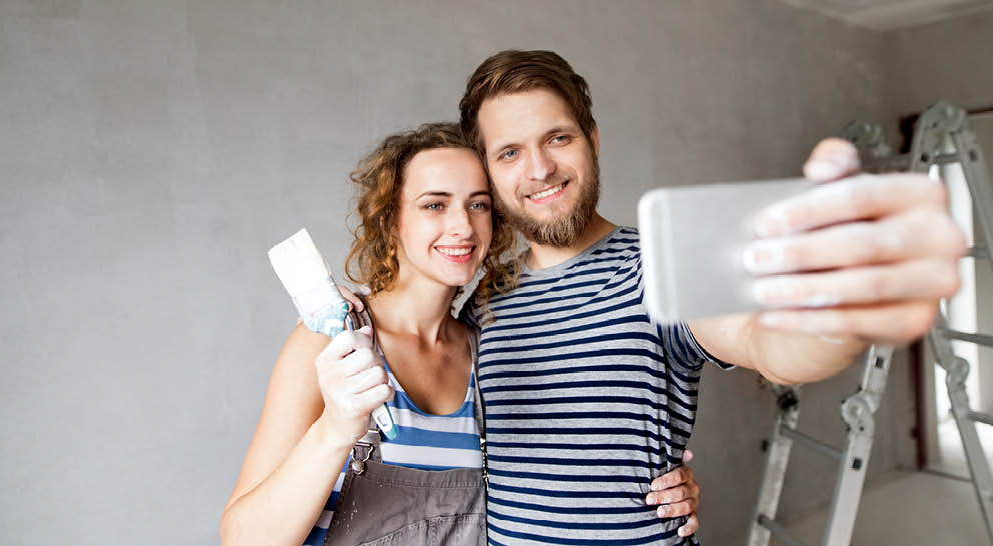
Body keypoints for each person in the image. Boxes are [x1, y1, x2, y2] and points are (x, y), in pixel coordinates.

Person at [454, 49, 967, 545]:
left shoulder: (659, 265)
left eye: (558, 137)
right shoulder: (484, 297)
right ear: (488, 171)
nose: (540, 168)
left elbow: (763, 342)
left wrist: (837, 312)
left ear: (591, 139)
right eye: (510, 152)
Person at [219, 122, 701, 546]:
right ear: (391, 220)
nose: (462, 227)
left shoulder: (485, 345)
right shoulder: (331, 343)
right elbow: (241, 539)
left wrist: (657, 478)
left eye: (478, 205)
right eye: (434, 205)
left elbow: (557, 467)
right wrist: (334, 431)